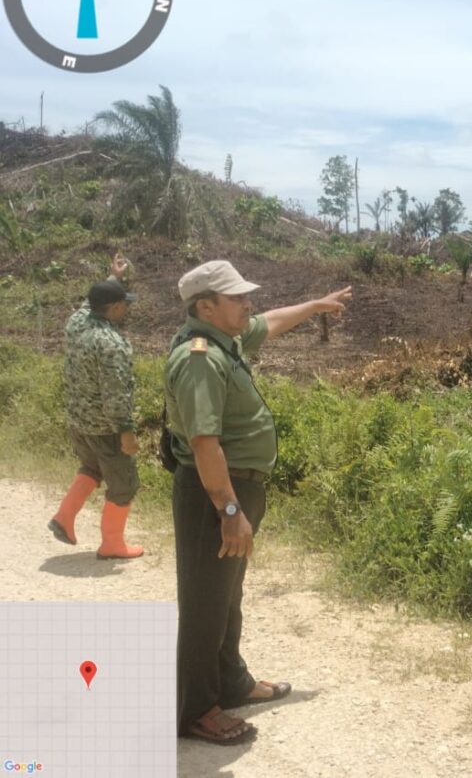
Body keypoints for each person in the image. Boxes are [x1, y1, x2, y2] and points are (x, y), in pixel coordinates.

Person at [164, 259, 352, 745]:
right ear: (206, 307)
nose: (249, 303)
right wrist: (229, 511)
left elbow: (269, 322)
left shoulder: (226, 339)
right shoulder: (200, 358)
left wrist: (315, 306)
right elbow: (205, 444)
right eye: (238, 298)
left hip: (236, 489)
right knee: (206, 603)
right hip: (215, 495)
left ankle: (231, 681)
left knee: (227, 594)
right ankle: (197, 709)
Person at [50, 254, 145, 559]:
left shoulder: (76, 322)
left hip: (79, 421)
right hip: (106, 428)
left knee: (91, 468)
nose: (127, 307)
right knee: (124, 484)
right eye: (124, 302)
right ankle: (112, 544)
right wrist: (126, 433)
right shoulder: (111, 344)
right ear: (115, 308)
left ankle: (64, 518)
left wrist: (113, 276)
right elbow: (116, 395)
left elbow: (88, 303)